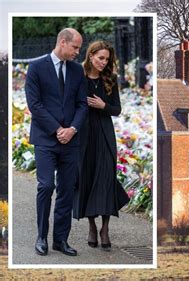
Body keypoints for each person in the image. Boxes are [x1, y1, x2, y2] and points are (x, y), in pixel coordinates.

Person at [25, 28, 88, 256]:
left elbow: (82, 104)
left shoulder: (76, 70)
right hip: (45, 139)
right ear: (63, 42)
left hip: (70, 140)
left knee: (66, 190)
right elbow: (35, 105)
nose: (78, 52)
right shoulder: (36, 68)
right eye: (75, 47)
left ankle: (60, 241)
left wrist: (71, 129)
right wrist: (57, 129)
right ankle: (41, 237)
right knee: (46, 186)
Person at [73, 41, 129, 251]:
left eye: (106, 59)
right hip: (84, 135)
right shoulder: (78, 77)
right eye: (100, 58)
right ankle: (91, 226)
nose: (103, 63)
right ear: (90, 55)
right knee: (86, 177)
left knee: (106, 179)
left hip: (105, 135)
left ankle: (105, 228)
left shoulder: (110, 79)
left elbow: (117, 110)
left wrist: (103, 105)